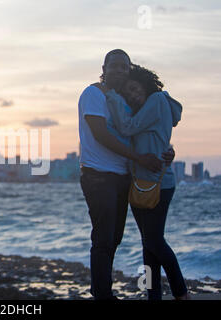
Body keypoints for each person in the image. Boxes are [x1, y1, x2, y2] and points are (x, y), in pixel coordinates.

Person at [78, 49, 175, 300]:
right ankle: (102, 294)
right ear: (104, 68)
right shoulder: (93, 94)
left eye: (125, 67)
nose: (119, 71)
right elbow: (101, 135)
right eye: (115, 66)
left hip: (124, 176)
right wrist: (140, 158)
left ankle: (109, 291)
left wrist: (166, 151)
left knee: (115, 238)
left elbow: (146, 134)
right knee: (103, 239)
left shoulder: (123, 101)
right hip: (99, 176)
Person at [104, 64, 189, 300]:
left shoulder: (157, 100)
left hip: (158, 183)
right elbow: (151, 141)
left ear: (145, 83)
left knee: (153, 240)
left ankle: (182, 293)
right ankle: (154, 296)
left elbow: (127, 128)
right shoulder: (146, 109)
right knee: (148, 243)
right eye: (127, 93)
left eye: (133, 88)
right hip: (142, 182)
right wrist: (169, 151)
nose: (132, 94)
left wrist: (110, 93)